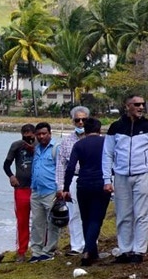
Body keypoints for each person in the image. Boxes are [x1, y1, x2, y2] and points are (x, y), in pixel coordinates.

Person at [102, 94, 148, 264]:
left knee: (141, 214)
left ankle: (139, 250)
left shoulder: (147, 125)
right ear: (127, 106)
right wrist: (107, 179)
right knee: (123, 213)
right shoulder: (116, 127)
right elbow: (107, 154)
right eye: (137, 104)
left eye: (143, 104)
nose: (141, 107)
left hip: (142, 174)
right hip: (121, 175)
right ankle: (125, 250)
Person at [60, 118, 109, 266]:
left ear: (85, 130)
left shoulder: (79, 144)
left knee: (86, 218)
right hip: (100, 183)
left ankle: (92, 252)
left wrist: (66, 188)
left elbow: (70, 168)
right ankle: (88, 250)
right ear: (99, 130)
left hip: (82, 184)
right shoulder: (106, 143)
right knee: (96, 219)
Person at [54, 106, 89, 256]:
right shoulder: (67, 141)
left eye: (84, 120)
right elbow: (61, 165)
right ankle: (76, 246)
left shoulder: (96, 138)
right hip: (73, 179)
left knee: (90, 213)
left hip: (90, 178)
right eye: (77, 120)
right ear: (73, 121)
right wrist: (61, 186)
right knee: (74, 213)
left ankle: (90, 244)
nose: (80, 123)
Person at [3, 124, 36, 263]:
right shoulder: (16, 146)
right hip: (21, 188)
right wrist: (11, 176)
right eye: (25, 135)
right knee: (22, 221)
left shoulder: (41, 145)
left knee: (41, 220)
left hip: (38, 188)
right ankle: (21, 251)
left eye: (30, 135)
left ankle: (44, 249)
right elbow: (6, 165)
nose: (28, 139)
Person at [29, 122, 60, 263]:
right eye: (39, 134)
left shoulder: (56, 149)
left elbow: (60, 169)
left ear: (50, 134)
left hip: (51, 191)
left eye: (44, 133)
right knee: (37, 223)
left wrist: (60, 189)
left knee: (52, 223)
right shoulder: (36, 149)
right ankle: (36, 251)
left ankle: (49, 251)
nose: (41, 136)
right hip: (36, 191)